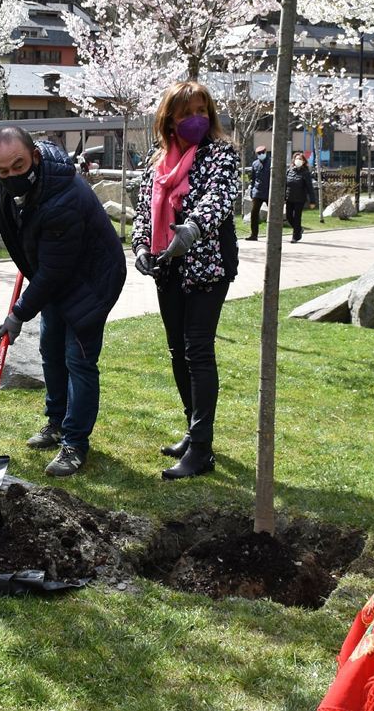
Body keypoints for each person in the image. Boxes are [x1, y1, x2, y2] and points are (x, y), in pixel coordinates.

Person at [0, 126, 126, 478]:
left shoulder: (62, 196)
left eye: (18, 166)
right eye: (2, 171)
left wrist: (18, 313)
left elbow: (55, 271)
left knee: (77, 360)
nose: (11, 177)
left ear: (34, 156)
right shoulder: (16, 190)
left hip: (92, 282)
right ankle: (56, 422)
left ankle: (75, 443)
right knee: (50, 351)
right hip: (57, 279)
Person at [131, 81, 241, 480]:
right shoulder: (156, 161)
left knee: (198, 350)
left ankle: (201, 448)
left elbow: (220, 197)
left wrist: (191, 229)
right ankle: (191, 429)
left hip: (207, 266)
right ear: (170, 119)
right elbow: (144, 210)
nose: (197, 119)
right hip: (168, 267)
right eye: (187, 112)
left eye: (203, 111)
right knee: (178, 350)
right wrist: (141, 246)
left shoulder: (221, 155)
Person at [285, 151, 315, 242]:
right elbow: (285, 185)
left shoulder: (305, 173)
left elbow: (310, 187)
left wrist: (312, 201)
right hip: (289, 198)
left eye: (300, 159)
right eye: (297, 158)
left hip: (300, 199)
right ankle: (299, 229)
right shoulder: (289, 171)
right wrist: (283, 198)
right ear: (293, 160)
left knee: (297, 217)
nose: (298, 160)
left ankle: (295, 237)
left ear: (303, 161)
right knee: (289, 217)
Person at [245, 144, 269, 241]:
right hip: (257, 192)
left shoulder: (271, 162)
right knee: (254, 214)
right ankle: (254, 235)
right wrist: (252, 191)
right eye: (259, 153)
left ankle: (273, 234)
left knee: (273, 215)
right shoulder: (255, 164)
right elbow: (253, 179)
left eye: (262, 153)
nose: (261, 154)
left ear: (266, 152)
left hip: (268, 192)